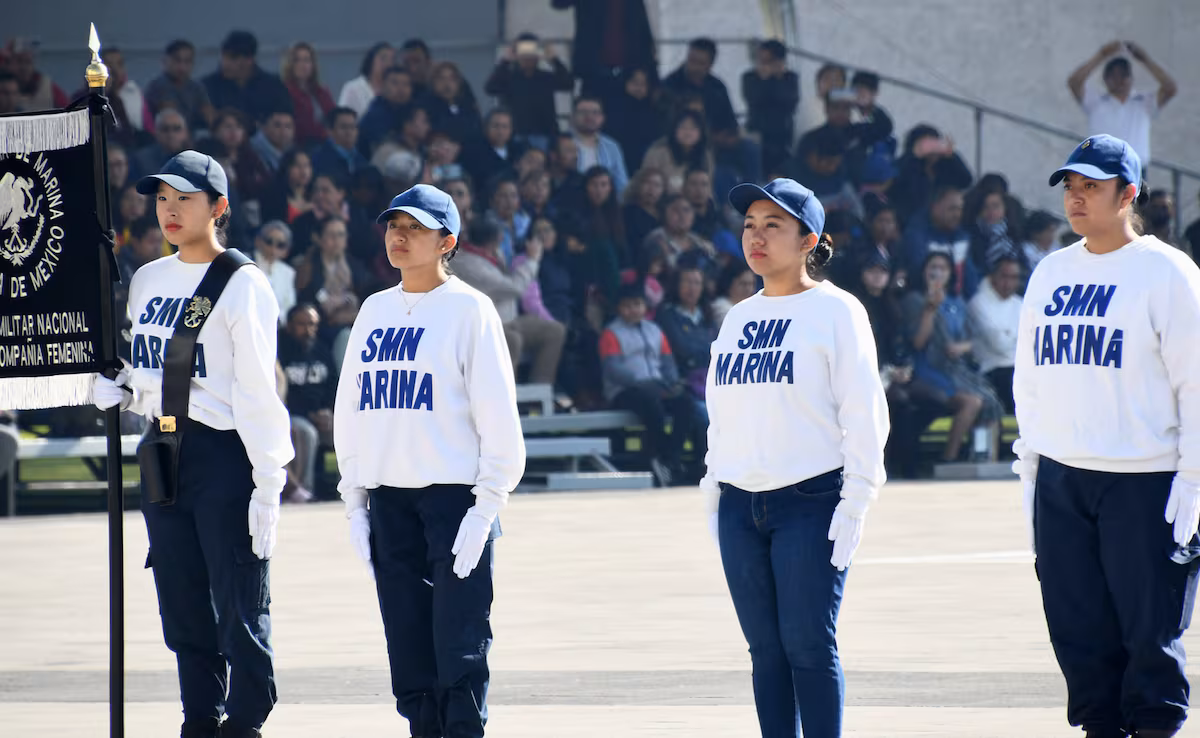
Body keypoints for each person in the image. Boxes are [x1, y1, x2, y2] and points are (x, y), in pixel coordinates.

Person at [90, 151, 292, 738]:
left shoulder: (241, 283)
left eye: (185, 199)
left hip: (222, 453)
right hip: (162, 448)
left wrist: (269, 481)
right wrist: (123, 389)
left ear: (218, 207)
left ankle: (246, 718)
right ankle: (200, 716)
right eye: (162, 199)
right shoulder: (148, 279)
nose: (170, 210)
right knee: (179, 594)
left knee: (237, 595)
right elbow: (149, 371)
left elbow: (256, 390)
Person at [1013, 134, 1200, 738]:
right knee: (1078, 632)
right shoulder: (1051, 271)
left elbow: (1195, 382)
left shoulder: (1168, 273)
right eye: (1071, 186)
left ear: (1128, 195)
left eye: (1091, 187)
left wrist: (1194, 476)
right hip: (1063, 478)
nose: (1076, 197)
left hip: (1143, 479)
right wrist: (1030, 468)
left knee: (1149, 634)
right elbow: (1029, 378)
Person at [335, 184, 525, 738]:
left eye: (415, 228)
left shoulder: (470, 309)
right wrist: (355, 501)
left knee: (459, 642)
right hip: (389, 498)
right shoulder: (374, 309)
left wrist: (486, 506)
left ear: (448, 242)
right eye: (394, 225)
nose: (399, 236)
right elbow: (351, 408)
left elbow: (497, 414)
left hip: (453, 499)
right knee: (407, 643)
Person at [702, 177, 889, 738]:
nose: (755, 238)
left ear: (809, 240)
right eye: (749, 226)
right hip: (740, 505)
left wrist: (857, 499)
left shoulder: (837, 311)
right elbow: (721, 411)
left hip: (810, 500)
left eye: (773, 225)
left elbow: (864, 410)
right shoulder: (738, 317)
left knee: (808, 644)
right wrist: (714, 490)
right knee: (765, 651)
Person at [599, 284, 704, 486]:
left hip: (656, 386)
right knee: (650, 403)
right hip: (625, 391)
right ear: (619, 308)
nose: (633, 310)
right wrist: (639, 382)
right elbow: (613, 369)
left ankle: (671, 458)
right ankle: (661, 456)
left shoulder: (654, 330)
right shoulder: (611, 333)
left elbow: (667, 363)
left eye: (637, 304)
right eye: (627, 306)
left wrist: (671, 382)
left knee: (685, 404)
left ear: (645, 307)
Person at [1067, 41, 1177, 167]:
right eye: (1114, 76)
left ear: (1131, 78)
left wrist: (1145, 59)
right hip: (1102, 169)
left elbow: (1170, 88)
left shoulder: (1144, 103)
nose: (1119, 80)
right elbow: (1074, 82)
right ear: (1105, 79)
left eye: (1124, 75)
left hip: (1134, 170)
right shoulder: (1095, 102)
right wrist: (1102, 55)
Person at [484, 33, 574, 151]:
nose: (528, 57)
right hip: (515, 132)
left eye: (531, 52)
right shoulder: (509, 77)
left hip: (544, 133)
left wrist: (554, 60)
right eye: (523, 52)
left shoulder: (546, 77)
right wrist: (506, 61)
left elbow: (568, 84)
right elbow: (490, 88)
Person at [966, 249, 1022, 414]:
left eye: (1014, 278)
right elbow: (999, 344)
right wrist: (1019, 335)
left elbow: (1034, 341)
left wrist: (1008, 333)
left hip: (1022, 366)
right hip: (993, 370)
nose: (1009, 283)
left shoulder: (1021, 303)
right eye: (1004, 276)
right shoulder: (978, 303)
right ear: (993, 276)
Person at [742, 39, 800, 172]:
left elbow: (790, 104)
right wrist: (765, 79)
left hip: (782, 134)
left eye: (767, 61)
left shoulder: (790, 78)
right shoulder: (750, 77)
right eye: (760, 59)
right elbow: (754, 100)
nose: (762, 64)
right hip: (757, 132)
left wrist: (777, 78)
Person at [145, 39, 214, 133]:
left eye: (187, 61)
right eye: (177, 61)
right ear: (165, 61)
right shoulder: (159, 86)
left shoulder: (197, 87)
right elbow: (172, 121)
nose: (182, 67)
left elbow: (210, 117)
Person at [338, 43, 395, 118]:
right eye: (383, 58)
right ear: (371, 60)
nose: (388, 64)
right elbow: (342, 117)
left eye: (392, 60)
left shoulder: (394, 90)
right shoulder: (353, 88)